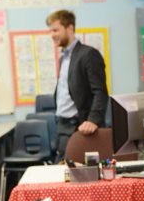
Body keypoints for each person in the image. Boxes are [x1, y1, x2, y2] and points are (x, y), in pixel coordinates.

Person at [46, 10, 109, 160]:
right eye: (50, 31)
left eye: (55, 30)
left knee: (79, 177)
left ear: (70, 28)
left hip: (80, 127)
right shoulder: (63, 58)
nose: (52, 35)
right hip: (62, 126)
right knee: (62, 174)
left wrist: (93, 120)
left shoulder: (88, 54)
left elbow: (100, 91)